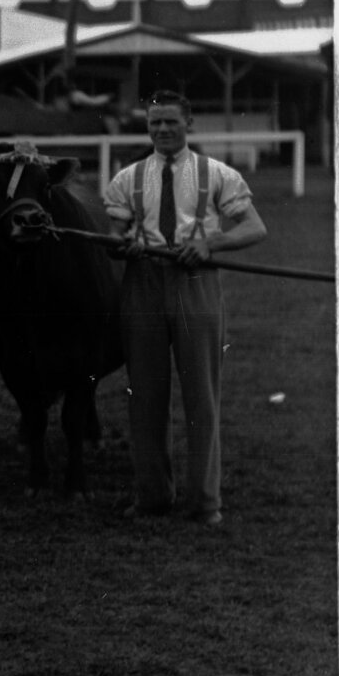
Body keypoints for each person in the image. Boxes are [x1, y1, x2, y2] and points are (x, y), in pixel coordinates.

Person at [101, 90, 267, 527]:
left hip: (197, 282)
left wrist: (209, 243)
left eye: (170, 122)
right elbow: (115, 235)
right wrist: (123, 244)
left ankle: (204, 502)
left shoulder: (217, 174)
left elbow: (254, 227)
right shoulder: (129, 177)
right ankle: (152, 496)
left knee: (202, 395)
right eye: (155, 122)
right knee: (146, 396)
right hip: (144, 284)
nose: (162, 130)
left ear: (188, 123)